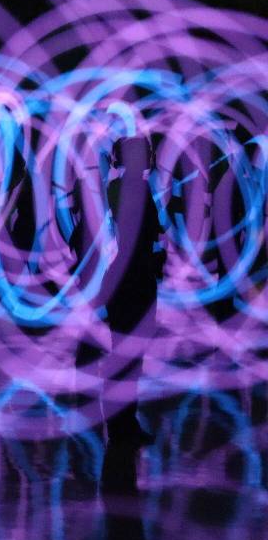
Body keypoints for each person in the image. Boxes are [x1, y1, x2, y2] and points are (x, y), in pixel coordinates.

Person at [99, 136, 163, 496]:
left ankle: (127, 423)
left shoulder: (130, 186)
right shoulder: (124, 187)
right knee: (124, 354)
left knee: (130, 356)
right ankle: (120, 426)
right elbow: (134, 230)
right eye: (145, 152)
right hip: (130, 280)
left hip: (136, 277)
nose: (150, 158)